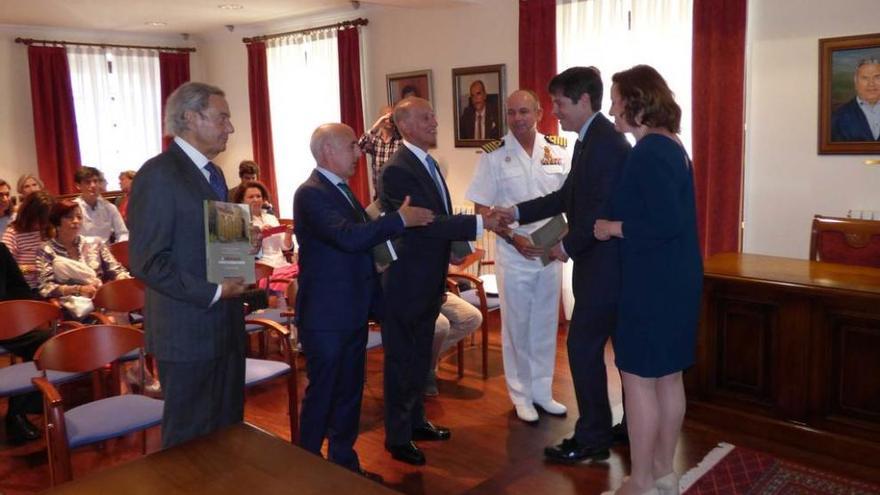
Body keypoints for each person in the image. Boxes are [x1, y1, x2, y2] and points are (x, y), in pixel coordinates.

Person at [494, 67, 631, 463]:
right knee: (609, 351)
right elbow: (565, 197)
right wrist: (516, 210)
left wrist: (563, 247)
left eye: (559, 103)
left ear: (585, 101)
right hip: (599, 266)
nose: (554, 111)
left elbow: (599, 210)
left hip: (605, 269)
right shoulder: (589, 141)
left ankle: (592, 439)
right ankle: (623, 425)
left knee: (583, 347)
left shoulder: (604, 144)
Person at [293, 122, 434, 479]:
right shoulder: (310, 193)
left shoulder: (341, 189)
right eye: (352, 147)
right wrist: (399, 220)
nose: (359, 153)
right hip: (326, 316)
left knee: (349, 394)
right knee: (323, 395)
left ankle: (344, 464)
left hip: (352, 309)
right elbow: (349, 238)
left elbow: (361, 238)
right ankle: (303, 471)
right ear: (327, 151)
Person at [593, 65, 702, 495]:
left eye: (617, 99)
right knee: (668, 378)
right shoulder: (671, 146)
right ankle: (663, 473)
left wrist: (612, 227)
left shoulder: (649, 151)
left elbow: (663, 222)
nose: (613, 106)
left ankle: (640, 481)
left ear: (637, 102)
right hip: (675, 278)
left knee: (638, 379)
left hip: (652, 283)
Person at [378, 96, 501, 466]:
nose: (435, 121)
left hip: (429, 280)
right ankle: (397, 438)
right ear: (406, 125)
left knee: (418, 358)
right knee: (402, 361)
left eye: (433, 114)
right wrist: (481, 223)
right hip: (406, 283)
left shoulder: (427, 164)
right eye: (426, 117)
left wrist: (457, 247)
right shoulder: (398, 170)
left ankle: (416, 422)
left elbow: (438, 219)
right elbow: (426, 220)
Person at [128, 81, 247, 448]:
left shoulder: (213, 174)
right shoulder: (159, 173)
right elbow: (146, 261)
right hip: (187, 331)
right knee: (188, 444)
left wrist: (241, 247)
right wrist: (213, 291)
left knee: (227, 433)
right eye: (222, 117)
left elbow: (207, 241)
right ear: (191, 118)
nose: (230, 127)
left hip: (224, 326)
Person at [466, 89, 570, 423]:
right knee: (517, 325)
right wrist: (512, 237)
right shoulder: (493, 154)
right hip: (514, 252)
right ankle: (521, 394)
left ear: (539, 113)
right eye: (511, 113)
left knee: (544, 323)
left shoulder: (557, 149)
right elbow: (482, 206)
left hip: (549, 249)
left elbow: (571, 198)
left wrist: (563, 237)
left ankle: (542, 391)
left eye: (524, 112)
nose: (518, 119)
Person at [35, 200, 130, 319]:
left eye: (79, 217)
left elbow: (115, 269)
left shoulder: (94, 243)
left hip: (102, 300)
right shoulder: (46, 249)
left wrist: (123, 278)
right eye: (69, 217)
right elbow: (45, 287)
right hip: (71, 307)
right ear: (57, 222)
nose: (76, 221)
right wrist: (78, 289)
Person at [0, 242, 48, 444]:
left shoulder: (0, 250)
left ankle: (18, 412)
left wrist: (18, 313)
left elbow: (20, 287)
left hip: (5, 319)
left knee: (44, 342)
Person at [233, 181, 297, 295]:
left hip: (281, 264)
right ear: (242, 200)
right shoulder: (240, 221)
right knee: (293, 284)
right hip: (262, 269)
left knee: (306, 275)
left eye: (259, 196)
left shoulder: (271, 217)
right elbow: (242, 254)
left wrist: (288, 234)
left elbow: (285, 246)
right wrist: (258, 236)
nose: (256, 199)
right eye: (251, 197)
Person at [424, 291, 483, 397]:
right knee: (441, 325)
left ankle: (421, 360)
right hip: (410, 297)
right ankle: (428, 369)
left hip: (437, 295)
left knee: (473, 318)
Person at [2, 191, 54, 291]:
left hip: (49, 284)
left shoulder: (49, 231)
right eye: (38, 220)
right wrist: (32, 268)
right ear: (29, 214)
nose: (41, 225)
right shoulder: (13, 233)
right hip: (26, 288)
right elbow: (6, 268)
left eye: (45, 220)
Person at [73, 166, 128, 244]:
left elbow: (123, 233)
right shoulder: (74, 209)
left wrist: (119, 248)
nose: (93, 185)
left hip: (106, 252)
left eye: (95, 181)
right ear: (78, 185)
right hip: (82, 252)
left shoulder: (110, 208)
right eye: (88, 182)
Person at [358, 106, 402, 199]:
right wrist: (376, 126)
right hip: (379, 195)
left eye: (392, 117)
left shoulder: (400, 141)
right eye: (387, 117)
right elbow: (360, 145)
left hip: (398, 193)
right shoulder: (375, 141)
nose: (389, 120)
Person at [831, 58, 880, 142]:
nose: (871, 83)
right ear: (856, 82)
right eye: (865, 78)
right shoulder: (838, 117)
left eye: (877, 77)